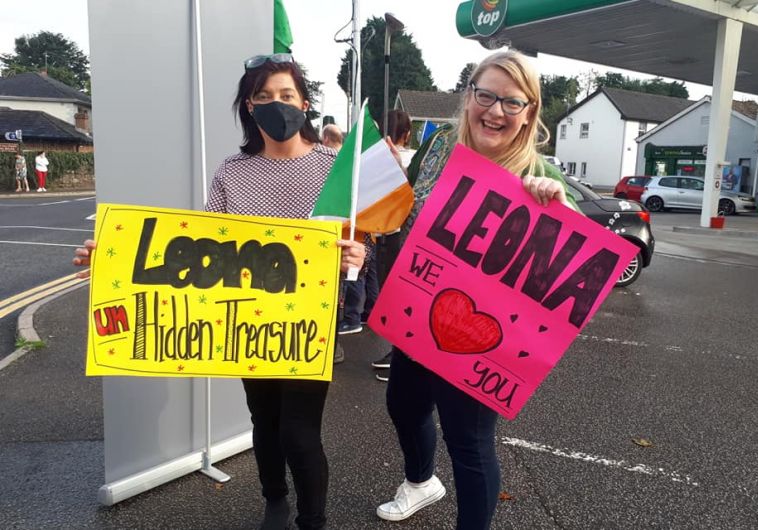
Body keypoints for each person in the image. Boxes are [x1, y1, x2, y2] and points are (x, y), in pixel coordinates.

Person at [74, 53, 365, 530]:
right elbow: (199, 247)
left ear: (305, 103)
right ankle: (275, 501)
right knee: (264, 420)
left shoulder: (335, 170)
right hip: (245, 320)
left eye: (286, 95)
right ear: (249, 108)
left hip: (307, 322)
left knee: (299, 430)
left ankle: (313, 519)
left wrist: (359, 256)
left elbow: (363, 236)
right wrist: (111, 256)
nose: (277, 104)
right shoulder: (232, 172)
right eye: (264, 97)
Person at [376, 50, 579, 529]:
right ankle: (421, 482)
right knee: (403, 407)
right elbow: (403, 211)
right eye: (485, 95)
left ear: (530, 112)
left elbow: (573, 263)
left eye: (512, 103)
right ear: (468, 96)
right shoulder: (438, 147)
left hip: (484, 334)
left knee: (468, 441)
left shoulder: (542, 175)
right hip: (420, 312)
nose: (495, 111)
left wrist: (558, 206)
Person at [372, 109, 417, 382]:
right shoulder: (417, 158)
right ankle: (399, 350)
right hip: (403, 236)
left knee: (394, 294)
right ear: (407, 133)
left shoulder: (384, 159)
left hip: (387, 233)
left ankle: (399, 351)